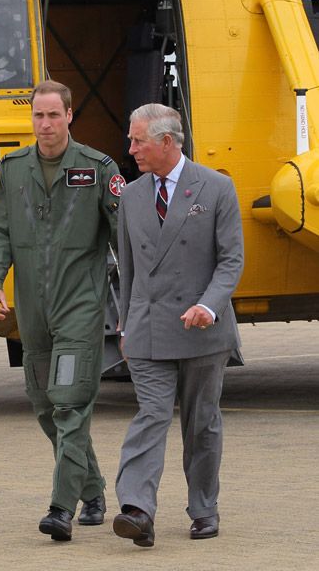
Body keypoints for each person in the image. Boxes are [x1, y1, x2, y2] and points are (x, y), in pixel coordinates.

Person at [0, 80, 124, 542]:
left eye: (53, 115)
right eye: (38, 116)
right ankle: (94, 490)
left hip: (79, 306)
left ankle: (61, 508)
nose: (45, 124)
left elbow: (126, 234)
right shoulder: (13, 168)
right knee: (44, 405)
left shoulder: (98, 168)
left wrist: (144, 298)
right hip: (32, 310)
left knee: (70, 401)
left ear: (69, 116)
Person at [113, 103, 244, 547]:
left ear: (167, 141)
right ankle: (137, 509)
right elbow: (127, 270)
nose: (131, 150)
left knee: (201, 422)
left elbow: (231, 260)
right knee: (150, 416)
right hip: (148, 329)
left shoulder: (217, 187)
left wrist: (209, 305)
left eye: (138, 141)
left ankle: (204, 507)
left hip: (203, 331)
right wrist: (126, 325)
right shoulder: (130, 196)